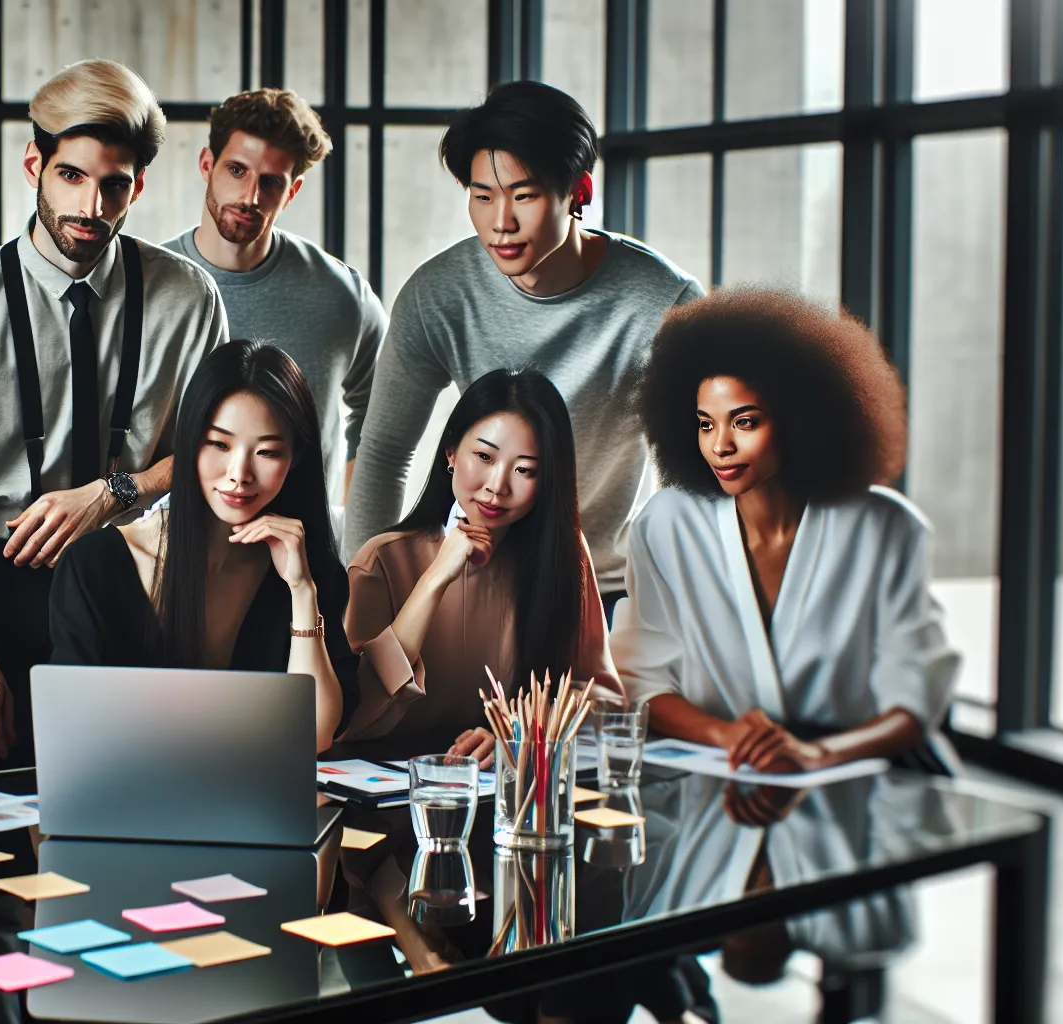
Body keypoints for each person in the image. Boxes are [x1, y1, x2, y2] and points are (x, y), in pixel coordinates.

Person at [0, 59, 228, 776]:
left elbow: (213, 456)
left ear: (137, 186)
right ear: (34, 165)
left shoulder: (190, 300)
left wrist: (113, 493)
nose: (92, 206)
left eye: (115, 185)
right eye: (72, 177)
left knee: (110, 828)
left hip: (128, 581)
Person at [343, 80, 704, 622]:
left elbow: (691, 472)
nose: (500, 222)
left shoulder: (664, 302)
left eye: (524, 195)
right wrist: (362, 592)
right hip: (478, 573)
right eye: (482, 195)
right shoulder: (438, 294)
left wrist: (676, 589)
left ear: (578, 191)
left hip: (609, 588)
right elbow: (386, 449)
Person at [612, 289, 961, 774]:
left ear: (799, 418)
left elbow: (914, 698)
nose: (721, 446)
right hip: (721, 770)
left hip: (863, 773)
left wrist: (816, 755)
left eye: (745, 421)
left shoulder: (886, 528)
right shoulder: (667, 525)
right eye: (704, 424)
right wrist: (730, 736)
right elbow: (641, 682)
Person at [47, 340, 358, 752]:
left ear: (295, 459)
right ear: (190, 442)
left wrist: (302, 591)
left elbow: (314, 736)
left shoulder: (307, 570)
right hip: (134, 804)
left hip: (256, 803)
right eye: (220, 444)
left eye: (266, 452)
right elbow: (76, 737)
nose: (239, 474)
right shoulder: (95, 567)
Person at [335, 369, 618, 765]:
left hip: (509, 795)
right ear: (451, 453)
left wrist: (520, 732)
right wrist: (436, 577)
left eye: (525, 470)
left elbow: (603, 698)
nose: (497, 485)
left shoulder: (565, 559)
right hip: (392, 794)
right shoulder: (381, 560)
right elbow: (349, 714)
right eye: (484, 457)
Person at [160, 87, 385, 503]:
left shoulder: (340, 294)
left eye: (270, 183)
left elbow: (381, 412)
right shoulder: (152, 284)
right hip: (179, 543)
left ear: (292, 191)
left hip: (303, 547)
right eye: (237, 171)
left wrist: (354, 531)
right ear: (207, 165)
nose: (250, 197)